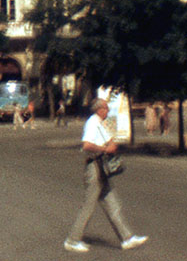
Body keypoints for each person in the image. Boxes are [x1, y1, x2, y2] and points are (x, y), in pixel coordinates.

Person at [63, 98, 147, 253]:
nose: (108, 111)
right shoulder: (92, 123)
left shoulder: (100, 123)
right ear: (99, 109)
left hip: (102, 168)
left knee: (113, 205)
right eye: (106, 108)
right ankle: (72, 240)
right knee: (88, 206)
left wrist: (111, 144)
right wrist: (104, 149)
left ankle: (127, 238)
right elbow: (86, 145)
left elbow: (108, 141)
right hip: (94, 168)